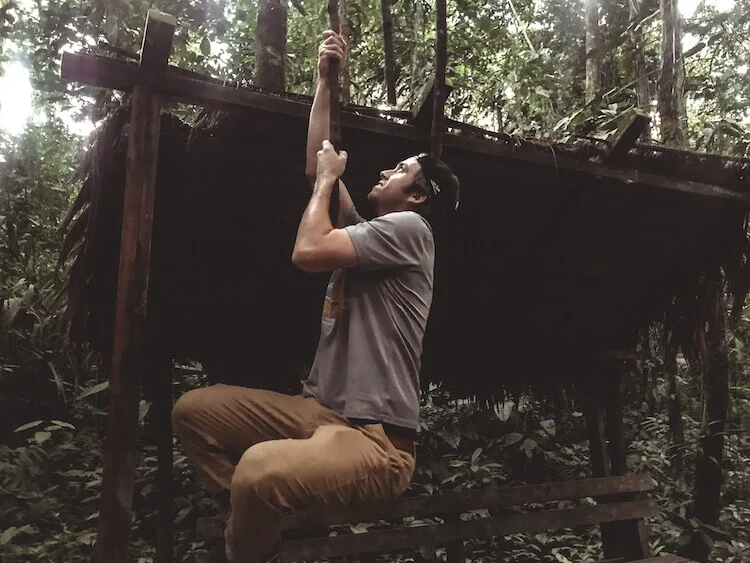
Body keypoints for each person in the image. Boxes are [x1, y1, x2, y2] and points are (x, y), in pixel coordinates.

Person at [171, 31, 459, 563]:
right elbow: (315, 169)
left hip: (377, 443)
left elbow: (307, 250)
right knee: (195, 412)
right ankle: (262, 526)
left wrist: (330, 181)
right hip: (321, 415)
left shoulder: (412, 229)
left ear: (418, 195)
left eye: (399, 171)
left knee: (258, 469)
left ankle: (250, 545)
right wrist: (325, 84)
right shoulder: (373, 237)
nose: (384, 171)